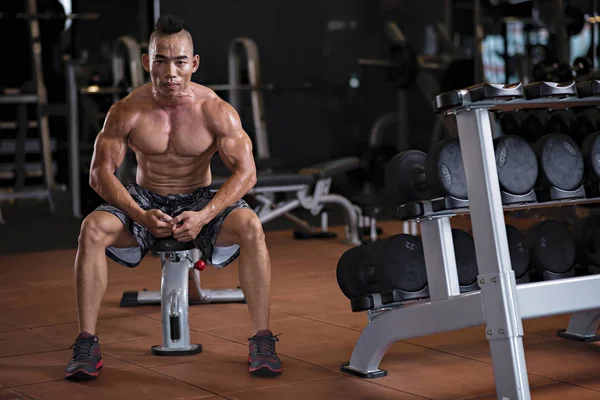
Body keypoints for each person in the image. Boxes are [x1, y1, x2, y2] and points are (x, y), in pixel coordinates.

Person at [64, 14, 282, 381]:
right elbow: (99, 174)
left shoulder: (215, 110)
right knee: (92, 229)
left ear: (193, 63)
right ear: (147, 62)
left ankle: (262, 339)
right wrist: (139, 212)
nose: (171, 73)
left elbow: (247, 173)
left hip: (200, 200)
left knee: (251, 227)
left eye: (180, 61)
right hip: (145, 200)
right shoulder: (126, 111)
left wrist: (206, 214)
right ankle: (86, 341)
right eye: (161, 61)